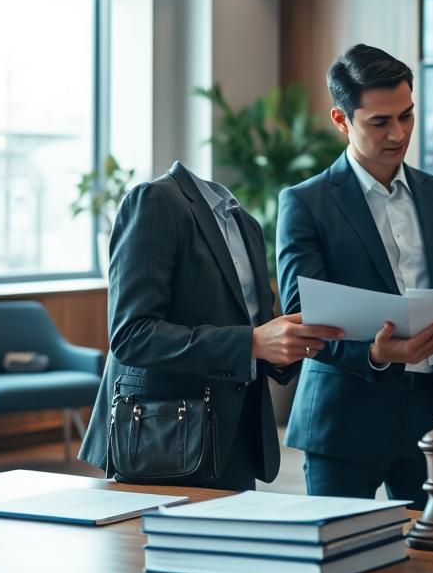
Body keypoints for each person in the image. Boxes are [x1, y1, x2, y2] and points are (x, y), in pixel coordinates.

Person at [277, 43, 433, 509]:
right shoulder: (305, 203)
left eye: (407, 116)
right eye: (380, 122)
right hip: (343, 413)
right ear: (341, 120)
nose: (398, 133)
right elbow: (301, 314)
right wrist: (374, 352)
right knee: (340, 559)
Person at [78, 162, 342, 491]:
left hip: (236, 435)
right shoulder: (154, 200)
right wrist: (251, 343)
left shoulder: (247, 225)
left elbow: (255, 330)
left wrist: (283, 349)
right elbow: (133, 336)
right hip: (163, 437)